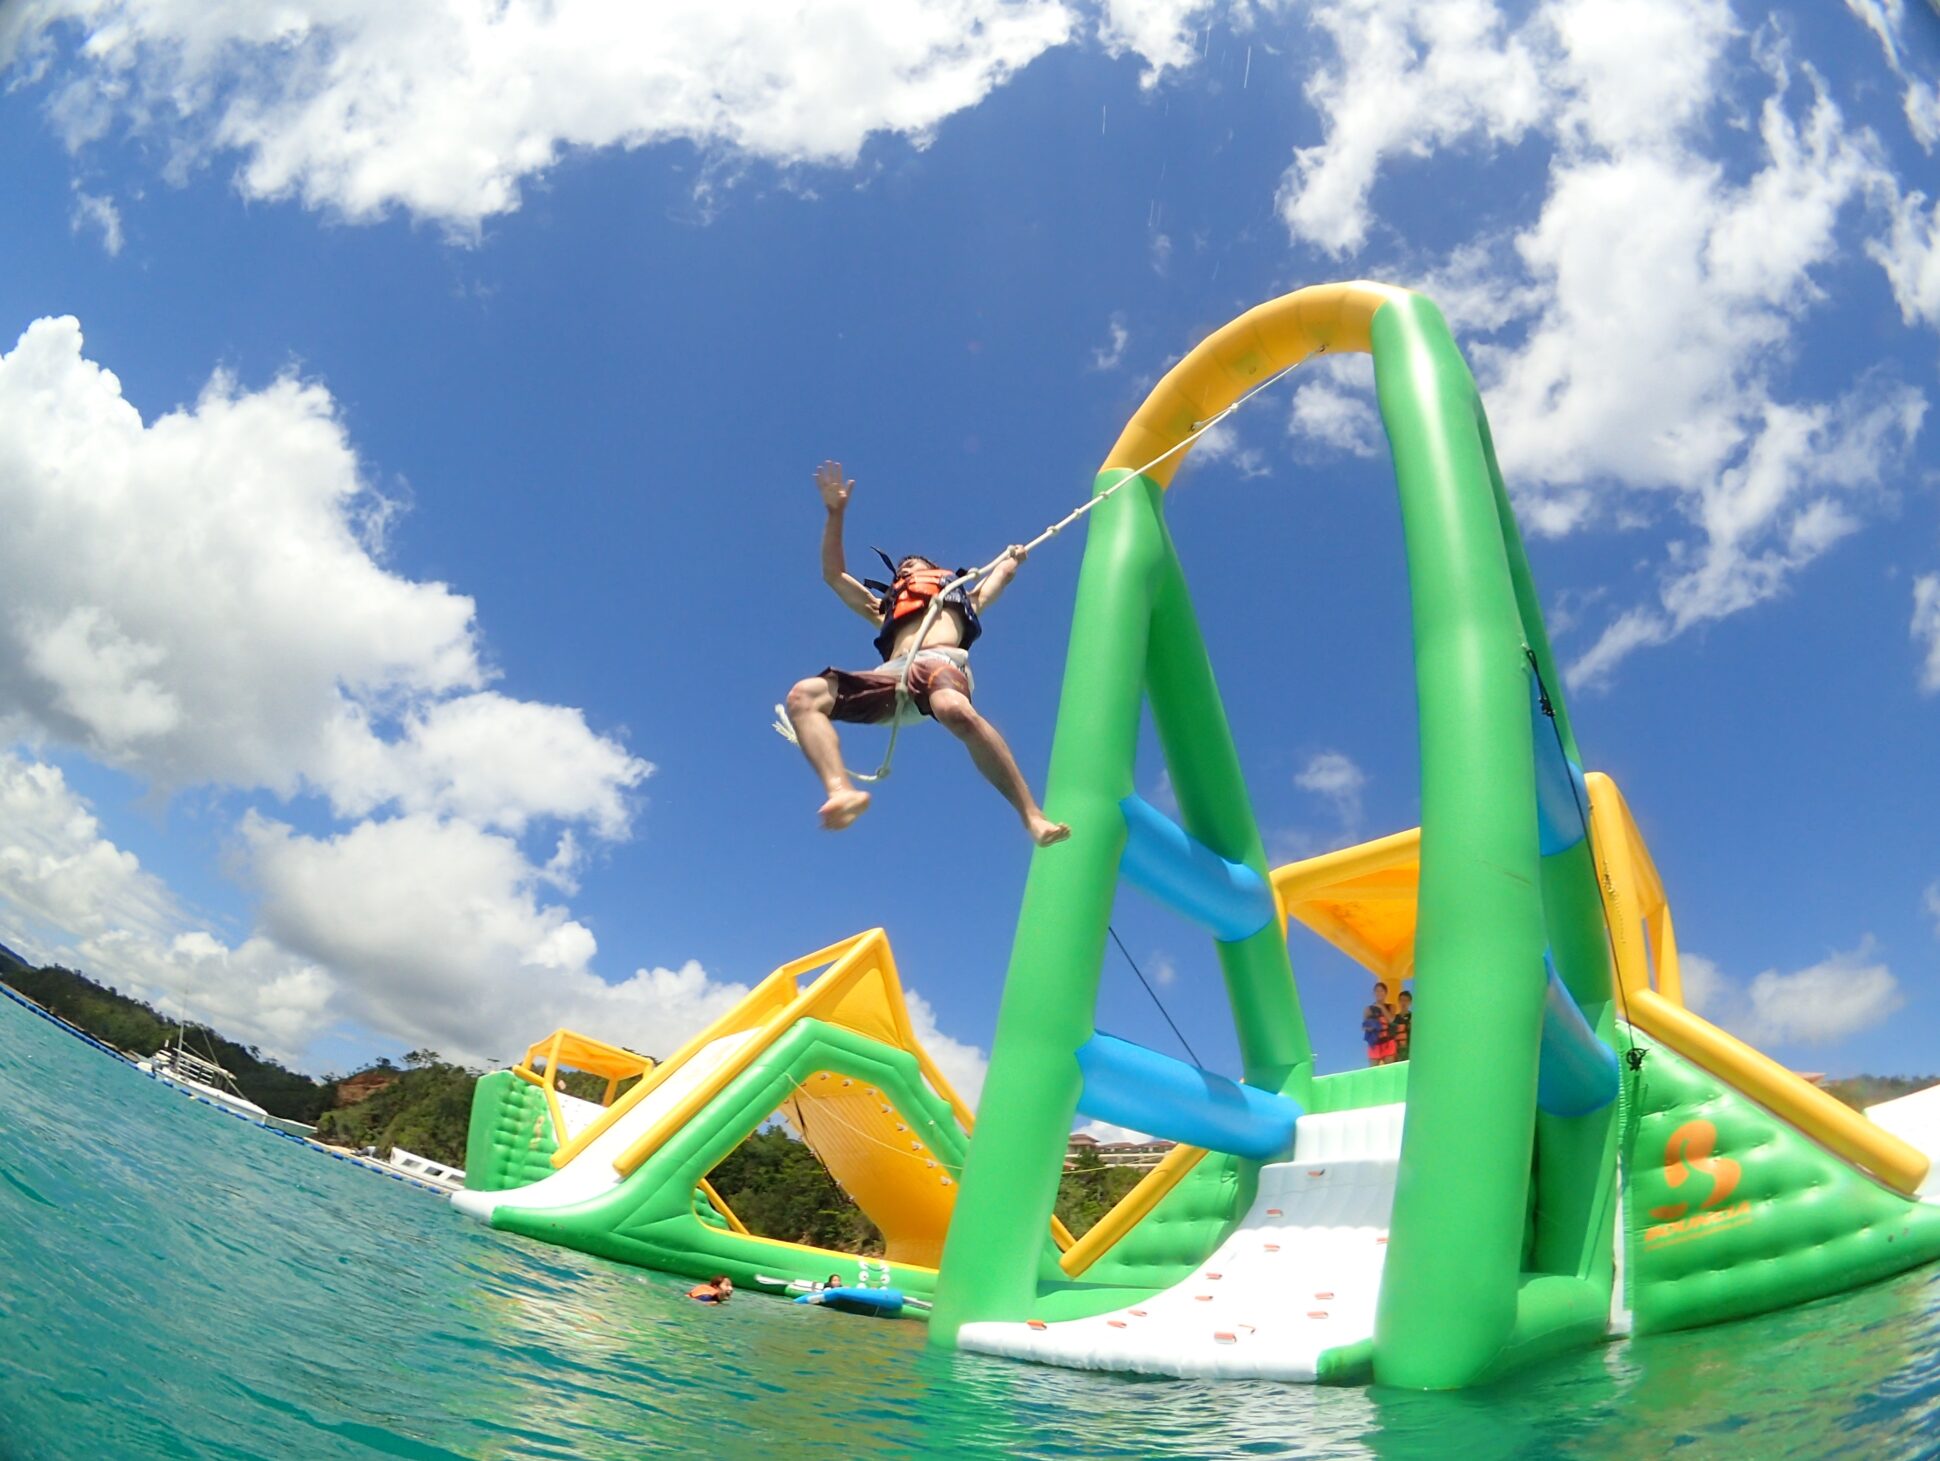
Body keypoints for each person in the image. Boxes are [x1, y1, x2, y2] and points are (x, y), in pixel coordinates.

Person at [784, 460, 1072, 846]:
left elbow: (997, 581)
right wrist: (835, 514)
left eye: (912, 566)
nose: (904, 570)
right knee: (803, 695)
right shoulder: (882, 608)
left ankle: (1031, 815)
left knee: (956, 712)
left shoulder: (961, 596)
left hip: (941, 666)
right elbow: (834, 576)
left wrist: (1010, 560)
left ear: (934, 571)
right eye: (900, 570)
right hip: (891, 678)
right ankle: (839, 790)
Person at [1392, 989, 1413, 1062]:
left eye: (1406, 1000)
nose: (1403, 1003)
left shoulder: (1413, 1017)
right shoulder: (1394, 1018)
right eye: (1401, 1000)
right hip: (1397, 1052)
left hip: (1410, 1051)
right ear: (1398, 1001)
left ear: (1410, 1002)